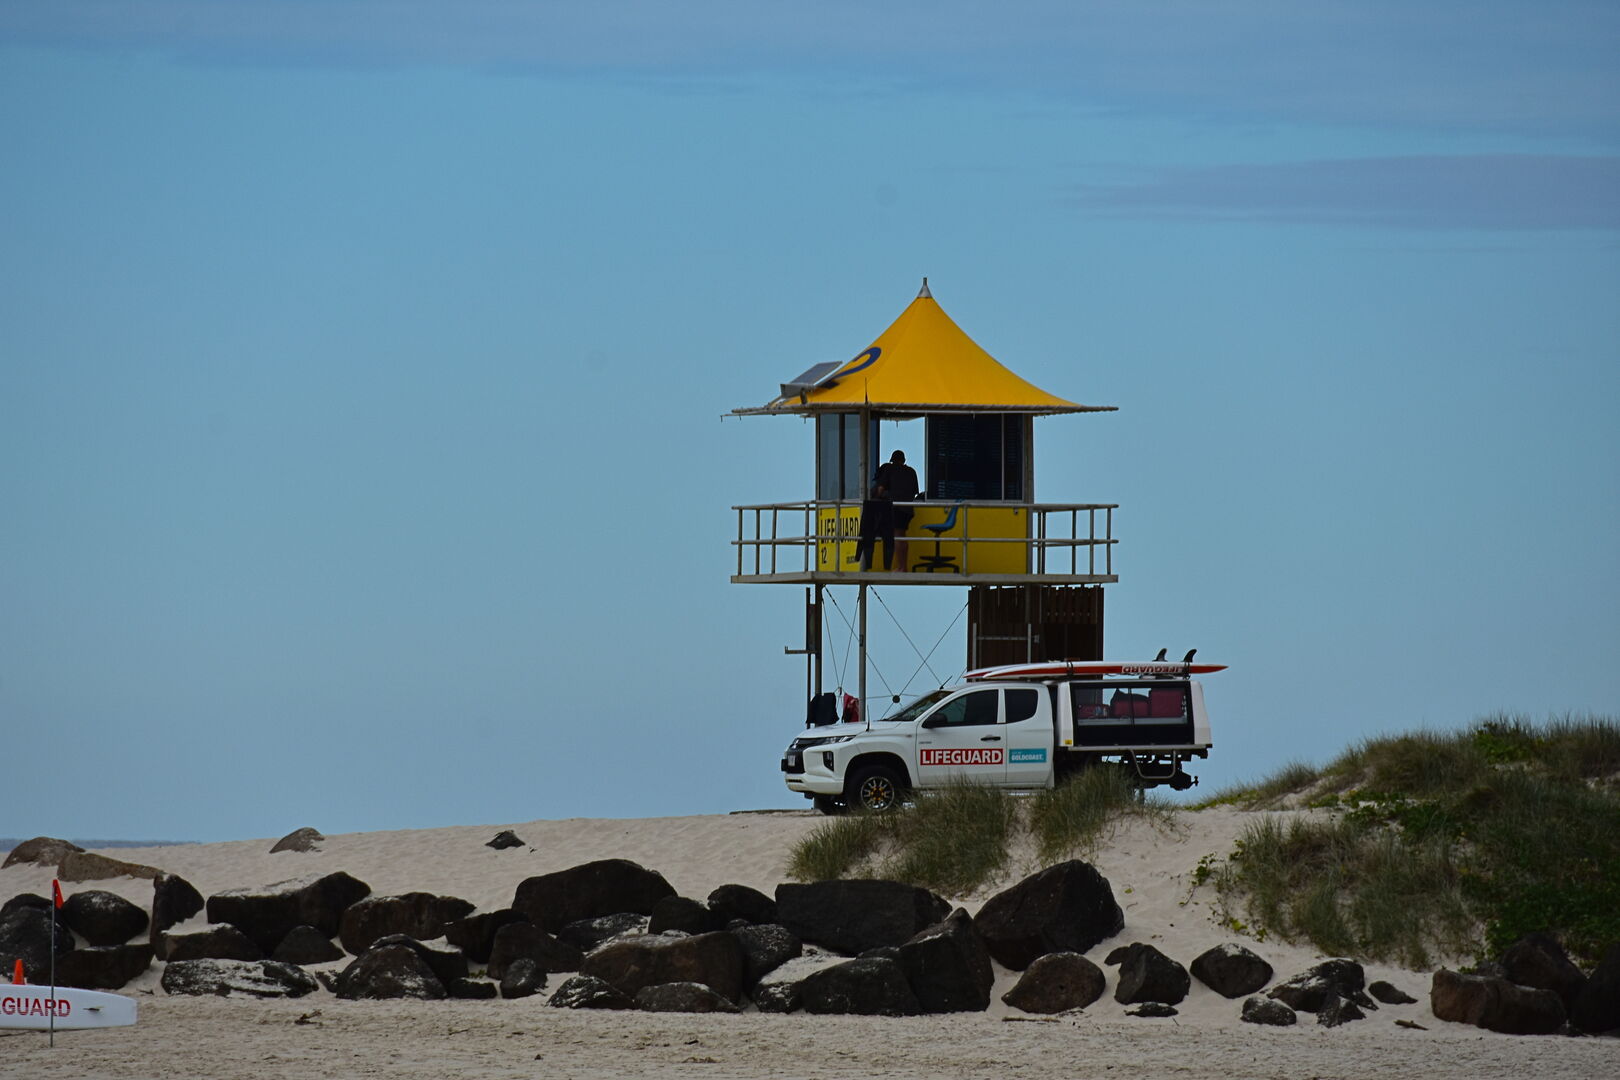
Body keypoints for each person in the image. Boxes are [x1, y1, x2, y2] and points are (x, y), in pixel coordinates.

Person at [873, 450, 920, 571]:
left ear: (892, 460)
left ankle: (901, 567)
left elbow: (880, 490)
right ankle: (903, 566)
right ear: (904, 460)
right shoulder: (911, 471)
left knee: (898, 536)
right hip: (908, 509)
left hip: (896, 507)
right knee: (901, 536)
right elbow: (915, 492)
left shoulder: (889, 469)